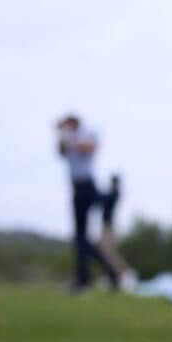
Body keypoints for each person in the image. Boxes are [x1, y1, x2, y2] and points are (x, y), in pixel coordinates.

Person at [56, 114, 119, 292]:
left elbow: (89, 148)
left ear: (74, 122)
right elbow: (60, 151)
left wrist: (69, 136)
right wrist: (62, 134)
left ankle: (87, 280)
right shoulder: (66, 139)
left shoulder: (87, 133)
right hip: (75, 188)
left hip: (87, 186)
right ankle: (99, 276)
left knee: (82, 238)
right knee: (81, 239)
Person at [98, 174, 136, 291]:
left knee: (110, 253)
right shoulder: (111, 193)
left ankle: (126, 274)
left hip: (109, 226)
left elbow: (103, 198)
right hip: (106, 225)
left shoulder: (115, 194)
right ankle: (112, 277)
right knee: (106, 253)